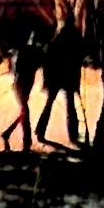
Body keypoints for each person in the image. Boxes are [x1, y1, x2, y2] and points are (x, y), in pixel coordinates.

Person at [35, 18, 85, 146]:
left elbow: (48, 56)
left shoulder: (59, 37)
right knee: (70, 105)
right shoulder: (75, 36)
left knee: (50, 104)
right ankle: (72, 134)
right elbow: (78, 58)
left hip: (57, 76)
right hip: (67, 76)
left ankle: (40, 131)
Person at [1, 29, 42, 152]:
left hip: (25, 84)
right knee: (25, 112)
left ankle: (10, 135)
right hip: (20, 84)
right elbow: (17, 68)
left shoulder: (29, 52)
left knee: (24, 112)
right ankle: (25, 142)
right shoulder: (23, 52)